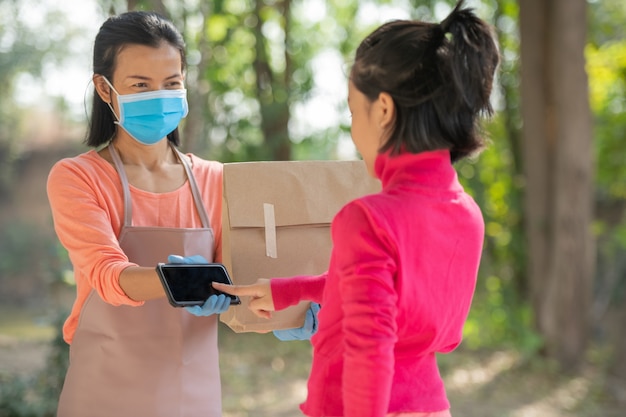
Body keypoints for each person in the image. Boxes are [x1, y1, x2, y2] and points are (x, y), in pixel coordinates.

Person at [214, 1, 500, 416]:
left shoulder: (369, 218)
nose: (353, 129)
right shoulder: (467, 214)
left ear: (383, 110)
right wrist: (287, 291)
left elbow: (370, 348)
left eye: (353, 111)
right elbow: (384, 295)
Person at [47, 11, 231, 417]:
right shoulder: (78, 178)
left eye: (172, 83)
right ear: (105, 88)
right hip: (103, 395)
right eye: (141, 85)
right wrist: (180, 281)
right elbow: (107, 274)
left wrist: (288, 309)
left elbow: (239, 282)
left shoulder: (216, 181)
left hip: (193, 396)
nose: (159, 96)